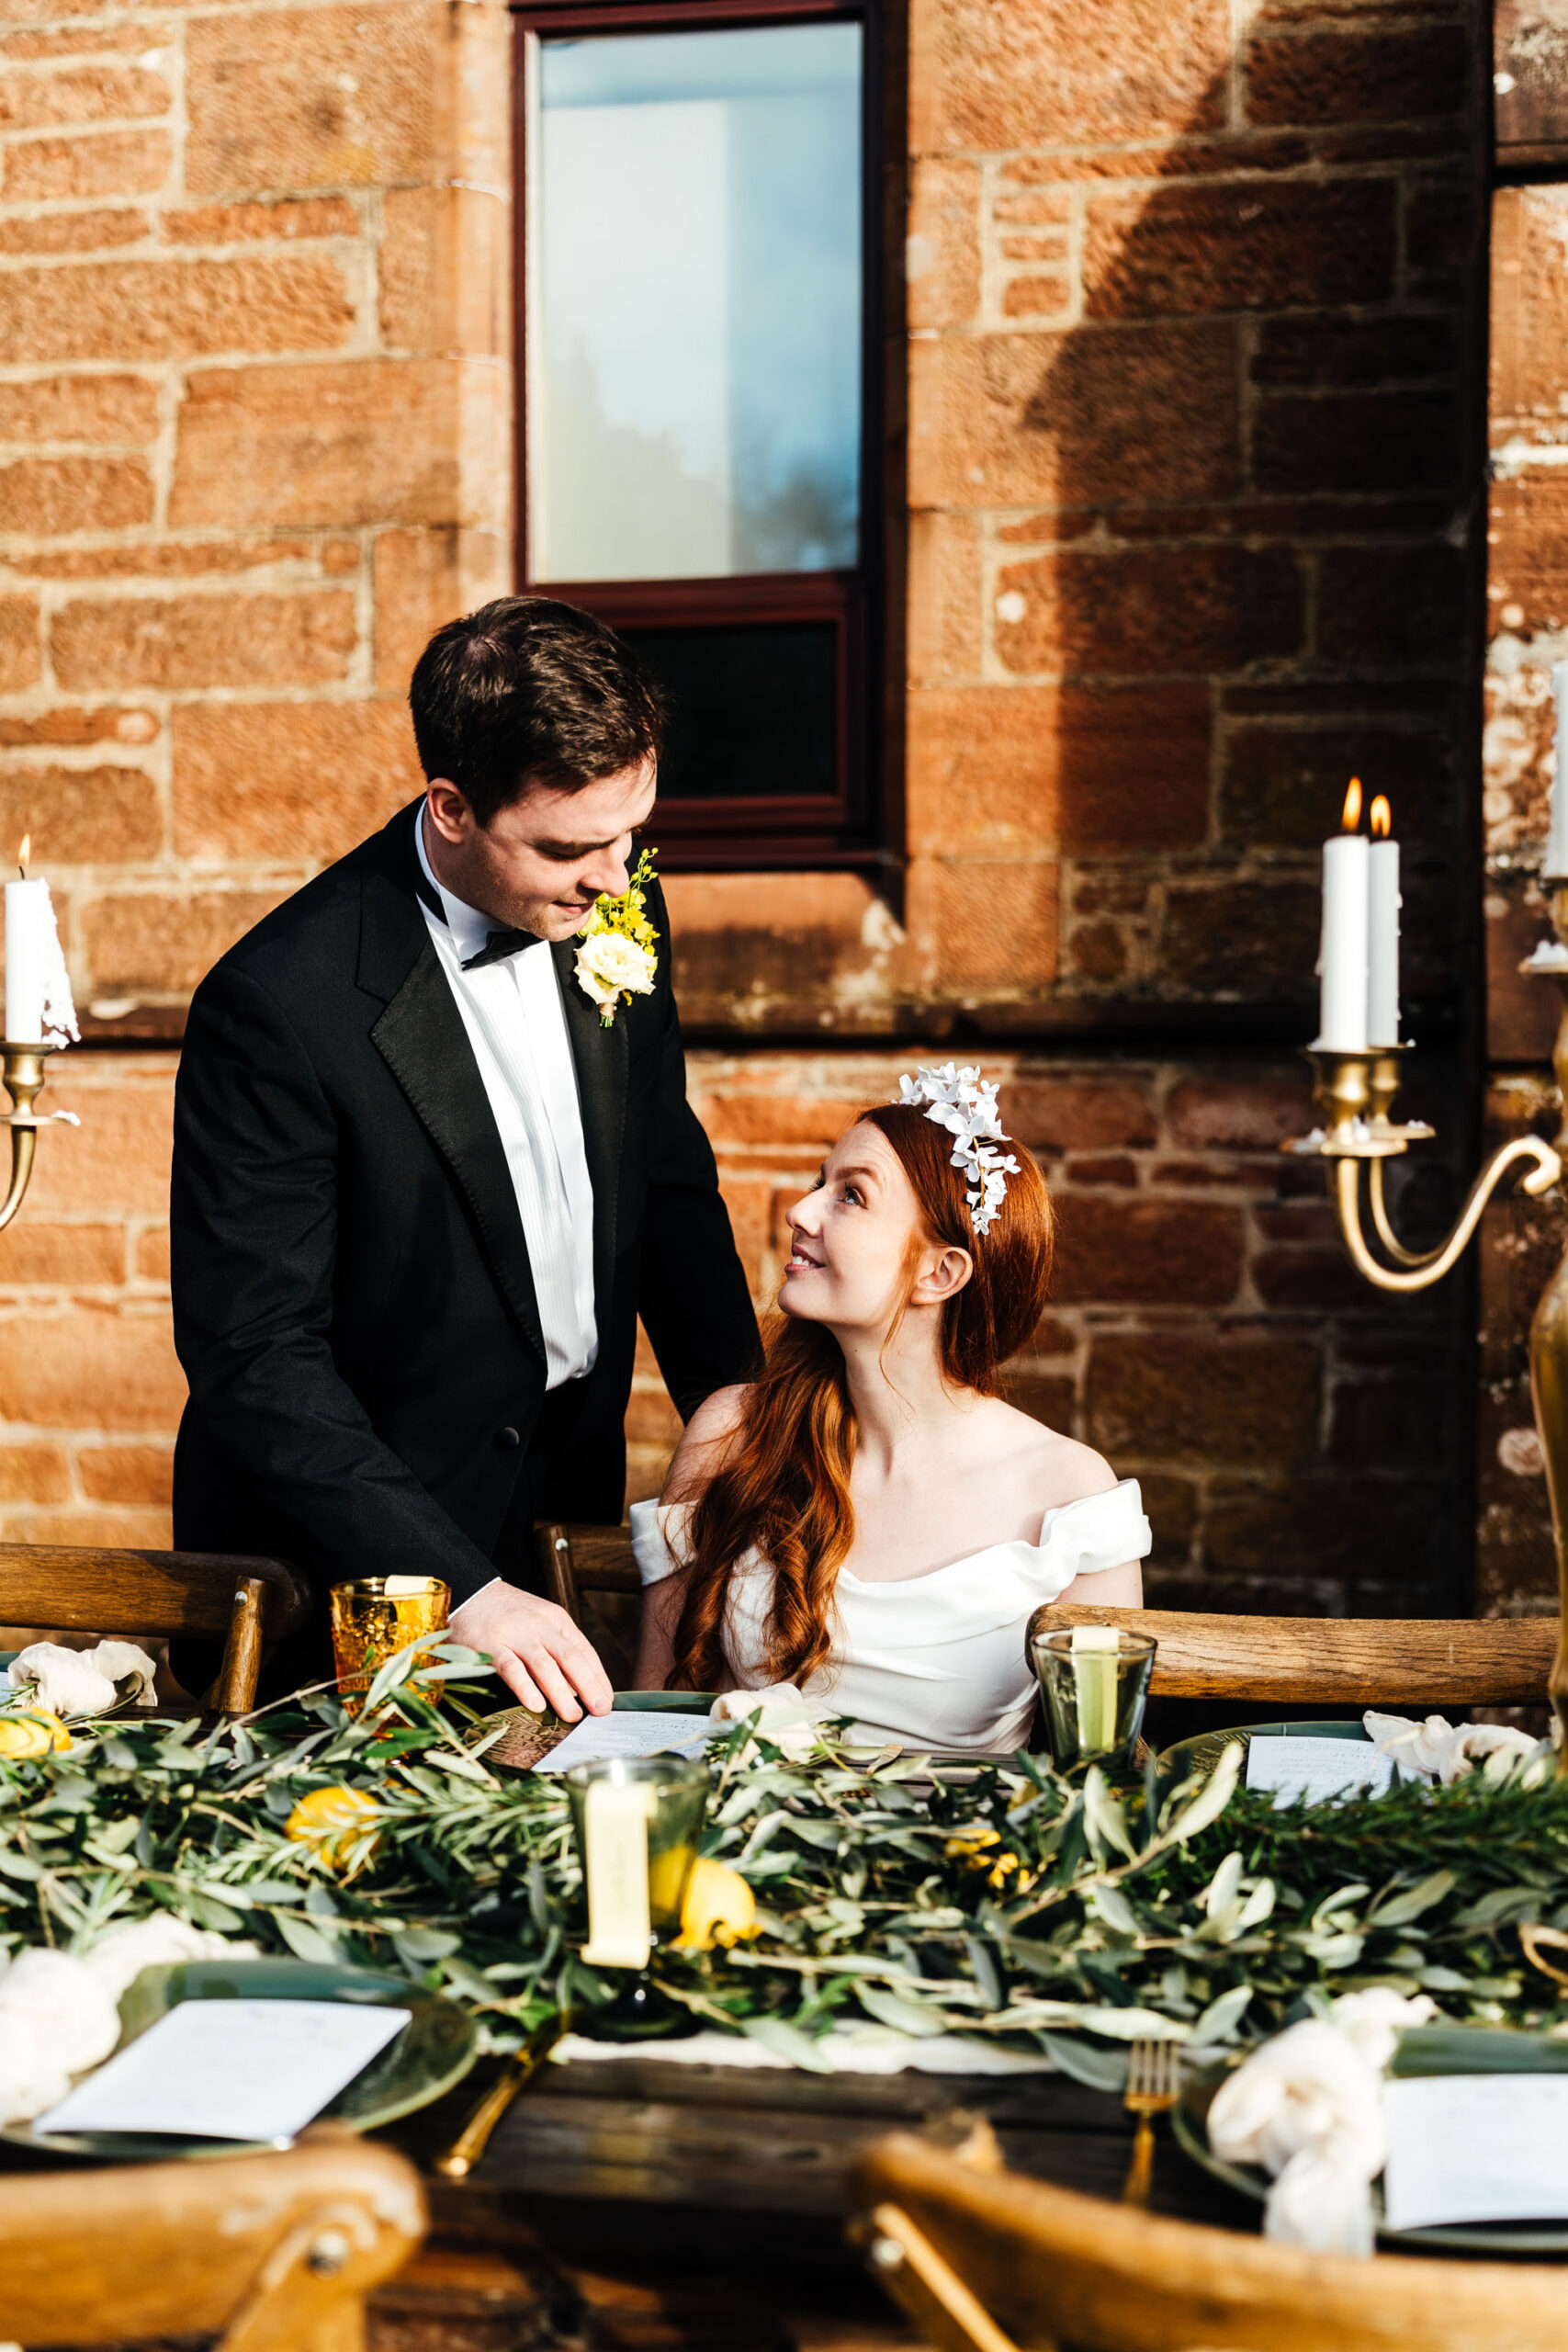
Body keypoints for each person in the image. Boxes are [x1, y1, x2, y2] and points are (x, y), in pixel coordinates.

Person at [171, 596, 759, 1717]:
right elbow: (256, 1357)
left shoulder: (619, 895)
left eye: (629, 830)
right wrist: (464, 1588)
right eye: (569, 846)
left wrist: (746, 1423)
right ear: (449, 807)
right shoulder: (277, 1004)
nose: (611, 875)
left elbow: (666, 1181)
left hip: (554, 1507)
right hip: (344, 1562)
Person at [632, 1068, 1147, 1754]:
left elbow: (1097, 1776)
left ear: (940, 1273)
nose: (801, 1211)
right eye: (822, 1182)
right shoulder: (732, 1432)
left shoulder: (1070, 1495)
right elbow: (654, 1715)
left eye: (849, 1196)